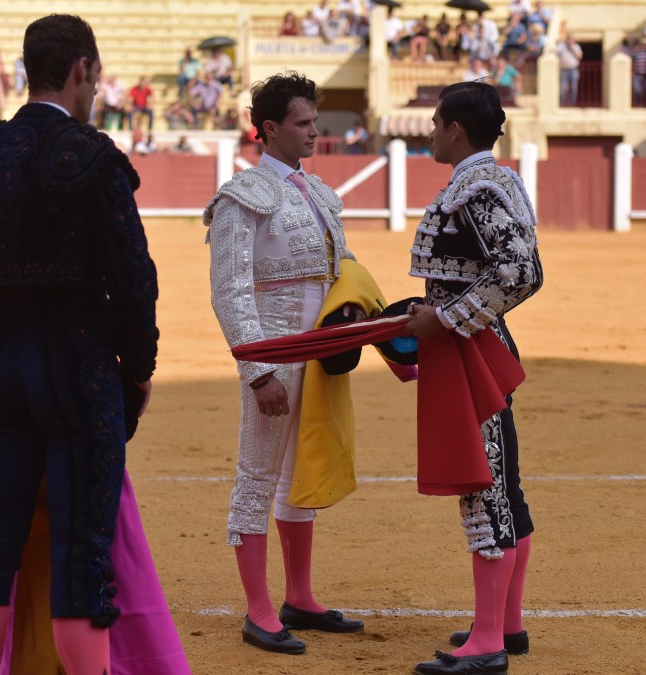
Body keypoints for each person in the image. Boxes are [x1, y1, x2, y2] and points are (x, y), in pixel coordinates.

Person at [0, 14, 159, 675]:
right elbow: (134, 282)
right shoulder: (92, 157)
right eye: (96, 75)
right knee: (81, 555)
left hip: (8, 360)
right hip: (80, 371)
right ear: (81, 69)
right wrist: (136, 370)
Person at [204, 71, 364, 655]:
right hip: (273, 355)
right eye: (303, 123)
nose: (314, 132)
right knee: (257, 475)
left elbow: (342, 269)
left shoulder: (318, 194)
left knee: (300, 470)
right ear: (270, 129)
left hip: (319, 357)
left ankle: (299, 596)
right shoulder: (240, 198)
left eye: (315, 122)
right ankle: (259, 610)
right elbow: (230, 291)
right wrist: (258, 371)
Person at [405, 81, 541, 675]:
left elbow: (523, 271)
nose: (431, 133)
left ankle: (486, 642)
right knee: (504, 483)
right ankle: (506, 624)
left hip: (470, 351)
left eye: (436, 123)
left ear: (456, 129)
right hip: (481, 344)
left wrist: (445, 318)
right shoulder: (498, 180)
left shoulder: (476, 190)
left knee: (485, 490)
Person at [556, 31, 582, 106]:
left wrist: (572, 48)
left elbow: (579, 57)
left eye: (571, 39)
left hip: (574, 69)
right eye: (569, 39)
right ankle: (562, 104)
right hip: (564, 70)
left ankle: (572, 104)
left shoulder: (576, 46)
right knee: (563, 88)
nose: (570, 40)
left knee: (574, 88)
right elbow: (554, 51)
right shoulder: (562, 46)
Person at [629, 36, 646, 106]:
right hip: (637, 74)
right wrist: (632, 71)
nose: (643, 46)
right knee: (637, 89)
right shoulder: (636, 53)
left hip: (645, 74)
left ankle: (643, 103)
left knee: (644, 90)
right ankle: (637, 103)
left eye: (644, 45)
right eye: (642, 45)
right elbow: (633, 63)